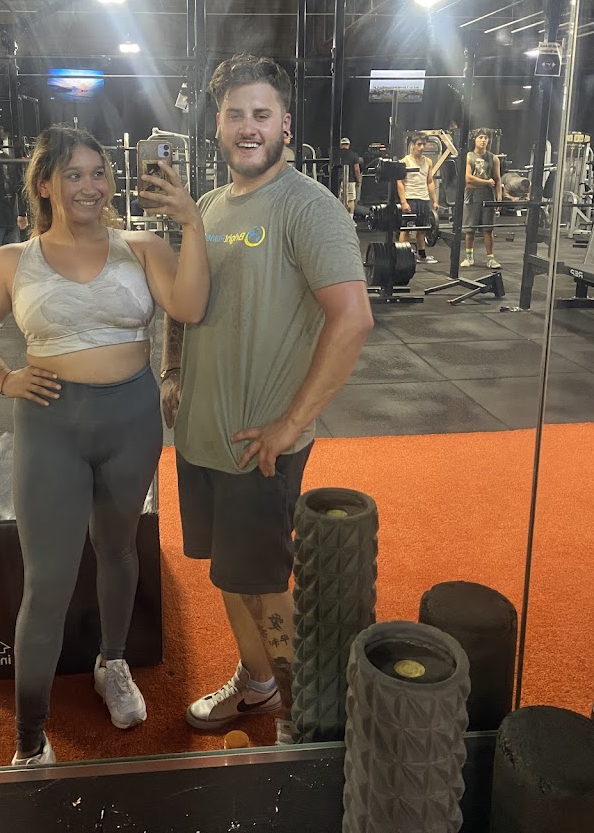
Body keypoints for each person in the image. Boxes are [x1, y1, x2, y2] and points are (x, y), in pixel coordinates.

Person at [0, 124, 209, 767]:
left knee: (118, 548)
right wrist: (4, 378)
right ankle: (30, 737)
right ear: (45, 184)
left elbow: (189, 307)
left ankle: (112, 662)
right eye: (73, 174)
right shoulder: (11, 261)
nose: (90, 186)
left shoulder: (142, 247)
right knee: (48, 580)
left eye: (99, 173)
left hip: (131, 422)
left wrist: (192, 223)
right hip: (51, 425)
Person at [159, 54, 373, 745]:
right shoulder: (210, 208)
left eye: (261, 114)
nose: (247, 127)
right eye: (235, 114)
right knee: (230, 576)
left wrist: (291, 423)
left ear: (285, 124)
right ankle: (257, 684)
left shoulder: (309, 207)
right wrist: (171, 370)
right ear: (218, 125)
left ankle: (304, 719)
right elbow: (184, 300)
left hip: (260, 446)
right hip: (201, 436)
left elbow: (352, 320)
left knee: (265, 583)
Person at [0, 120, 29, 247]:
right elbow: (20, 187)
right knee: (11, 251)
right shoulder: (8, 160)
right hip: (9, 215)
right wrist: (22, 213)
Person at [461, 128, 502, 269]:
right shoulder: (469, 157)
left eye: (485, 138)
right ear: (475, 139)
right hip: (472, 195)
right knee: (470, 229)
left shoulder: (493, 158)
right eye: (480, 137)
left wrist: (499, 197)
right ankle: (469, 257)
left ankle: (490, 259)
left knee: (488, 229)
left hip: (487, 196)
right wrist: (487, 182)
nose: (483, 140)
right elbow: (468, 179)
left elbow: (497, 179)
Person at [397, 133, 439, 264]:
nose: (422, 147)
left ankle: (422, 255)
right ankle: (401, 256)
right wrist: (403, 202)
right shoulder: (405, 161)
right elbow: (400, 182)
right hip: (410, 198)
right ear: (413, 145)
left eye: (424, 144)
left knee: (422, 229)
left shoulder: (428, 162)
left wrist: (434, 200)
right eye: (419, 144)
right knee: (405, 229)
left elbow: (430, 182)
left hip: (424, 199)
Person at [335, 136, 362, 218]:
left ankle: (340, 217)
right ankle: (350, 218)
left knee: (340, 199)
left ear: (341, 145)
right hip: (351, 180)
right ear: (348, 145)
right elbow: (356, 169)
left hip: (340, 180)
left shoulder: (337, 155)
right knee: (350, 200)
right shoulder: (354, 155)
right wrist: (358, 180)